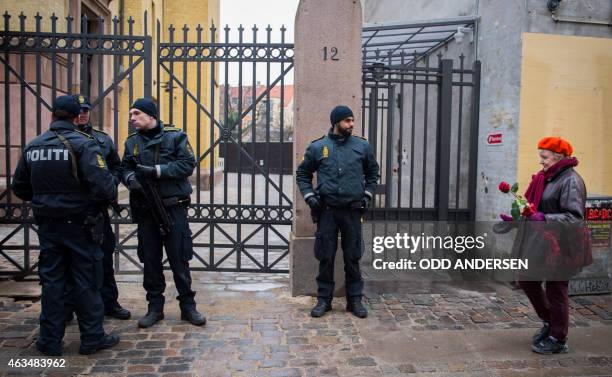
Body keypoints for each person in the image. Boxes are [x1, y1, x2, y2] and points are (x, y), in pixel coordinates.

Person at [12, 95, 120, 356]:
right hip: (81, 224)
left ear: (53, 116)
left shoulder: (33, 146)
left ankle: (49, 341)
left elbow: (19, 187)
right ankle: (92, 338)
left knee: (52, 282)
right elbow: (105, 188)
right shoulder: (84, 145)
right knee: (86, 280)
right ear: (75, 118)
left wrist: (48, 200)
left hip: (49, 225)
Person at [499, 136, 590, 354]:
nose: (540, 161)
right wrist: (516, 219)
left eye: (544, 157)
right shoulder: (545, 178)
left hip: (562, 246)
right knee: (527, 280)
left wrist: (544, 218)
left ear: (558, 156)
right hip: (542, 243)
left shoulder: (570, 181)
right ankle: (550, 321)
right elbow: (533, 207)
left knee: (556, 290)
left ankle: (558, 339)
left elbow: (574, 218)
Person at [121, 97, 205, 328]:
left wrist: (157, 171)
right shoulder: (132, 143)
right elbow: (125, 167)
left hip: (173, 206)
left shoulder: (175, 136)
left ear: (151, 115)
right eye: (131, 115)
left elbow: (187, 164)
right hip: (146, 210)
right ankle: (154, 307)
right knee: (150, 259)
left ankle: (188, 306)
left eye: (137, 114)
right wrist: (130, 179)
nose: (132, 119)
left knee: (180, 258)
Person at [296, 105, 380, 318]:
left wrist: (367, 195)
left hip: (353, 212)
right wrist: (310, 197)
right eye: (347, 121)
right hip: (327, 212)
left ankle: (355, 300)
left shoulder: (362, 146)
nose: (351, 124)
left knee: (352, 256)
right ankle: (324, 300)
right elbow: (303, 174)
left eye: (352, 120)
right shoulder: (318, 147)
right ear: (336, 123)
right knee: (326, 257)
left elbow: (373, 174)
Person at [64, 95, 131, 321]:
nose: (82, 114)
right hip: (71, 211)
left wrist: (110, 184)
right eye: (78, 110)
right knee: (69, 262)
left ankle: (109, 302)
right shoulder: (60, 138)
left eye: (85, 110)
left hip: (97, 211)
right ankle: (70, 307)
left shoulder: (103, 139)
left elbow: (116, 166)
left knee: (103, 259)